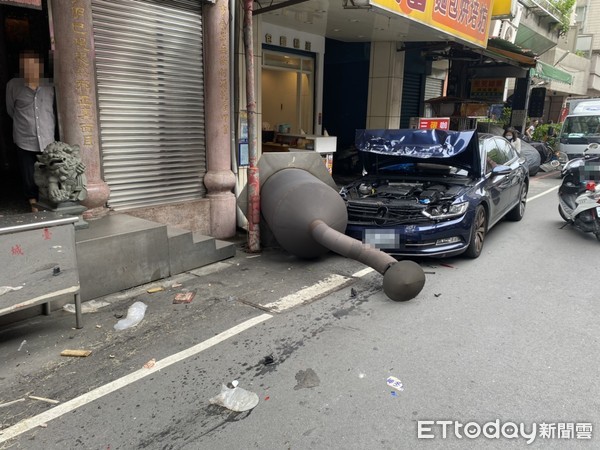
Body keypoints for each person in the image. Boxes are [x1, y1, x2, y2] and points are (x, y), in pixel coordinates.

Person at [6, 50, 56, 212]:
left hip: (47, 137)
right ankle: (32, 201)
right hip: (24, 137)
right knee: (28, 173)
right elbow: (10, 110)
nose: (31, 69)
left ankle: (51, 198)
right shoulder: (13, 85)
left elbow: (54, 109)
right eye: (26, 66)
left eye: (34, 65)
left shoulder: (49, 85)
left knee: (50, 170)